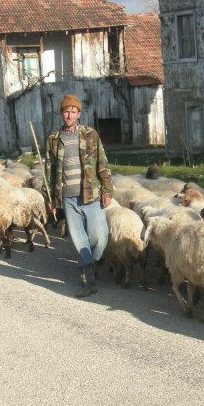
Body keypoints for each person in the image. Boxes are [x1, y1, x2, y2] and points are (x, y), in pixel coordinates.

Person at [44, 94, 114, 296]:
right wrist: (50, 199)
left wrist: (107, 190)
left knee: (100, 237)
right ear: (61, 113)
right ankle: (88, 277)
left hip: (91, 194)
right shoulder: (54, 140)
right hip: (68, 196)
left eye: (73, 111)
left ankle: (89, 263)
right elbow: (50, 170)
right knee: (79, 238)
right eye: (66, 111)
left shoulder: (90, 134)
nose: (69, 114)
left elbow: (102, 162)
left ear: (79, 114)